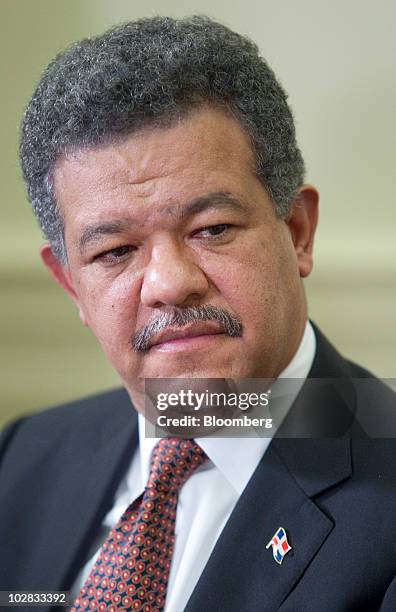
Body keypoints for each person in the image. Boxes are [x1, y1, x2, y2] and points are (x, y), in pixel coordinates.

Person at [0, 15, 395, 612]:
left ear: (298, 233)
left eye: (212, 229)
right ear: (71, 286)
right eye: (115, 252)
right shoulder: (24, 456)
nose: (169, 284)